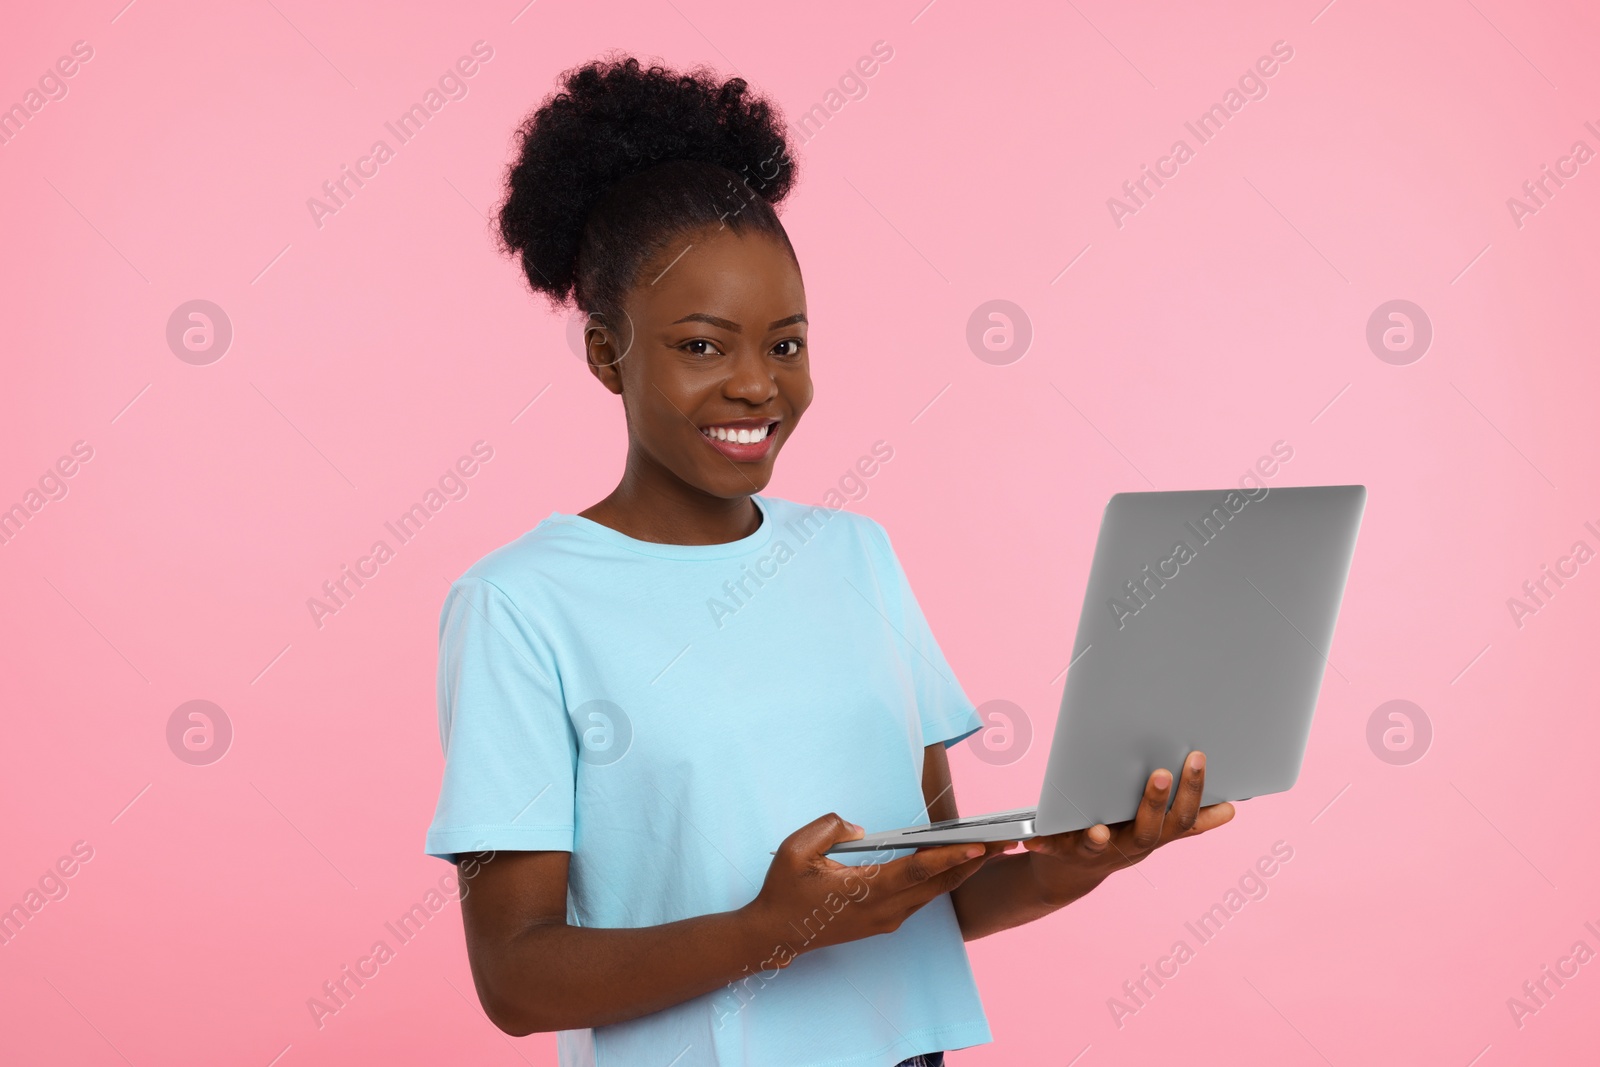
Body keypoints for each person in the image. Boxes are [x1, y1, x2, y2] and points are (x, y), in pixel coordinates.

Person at [423, 54, 1236, 1067]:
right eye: (702, 346)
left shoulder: (854, 554)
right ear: (606, 352)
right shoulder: (520, 604)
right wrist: (770, 927)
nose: (756, 386)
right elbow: (515, 975)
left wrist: (1075, 861)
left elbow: (931, 885)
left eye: (787, 343)